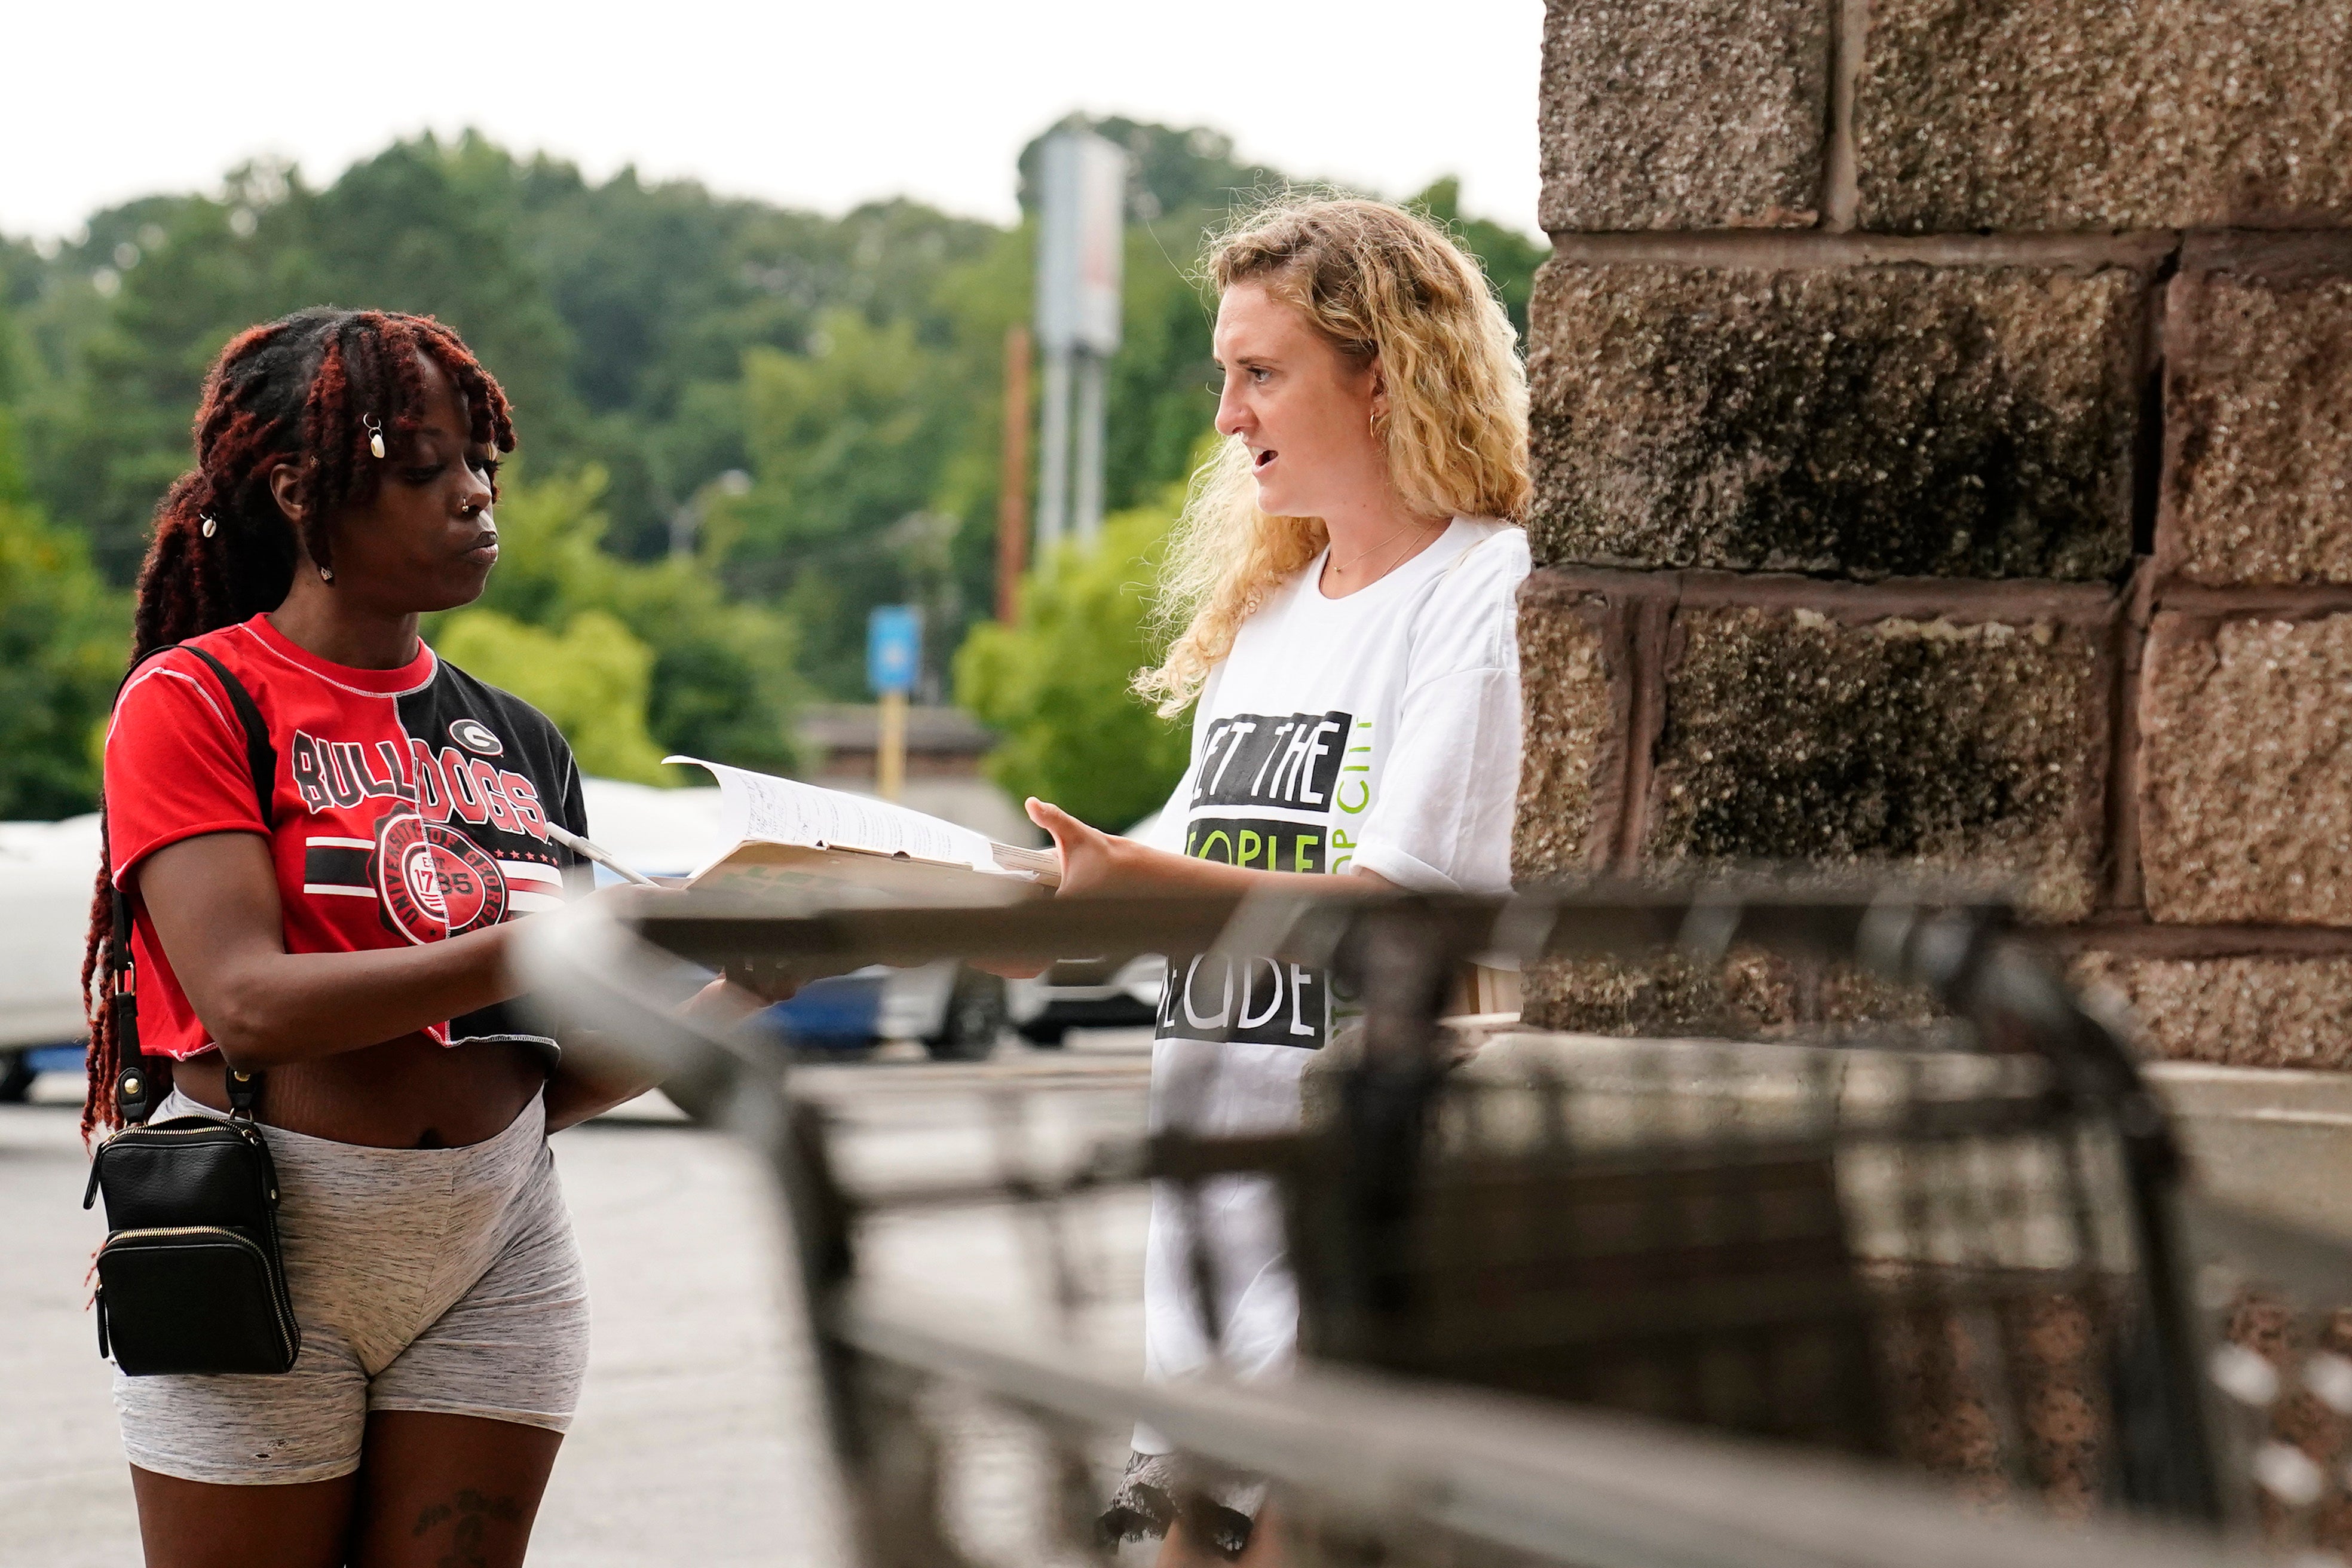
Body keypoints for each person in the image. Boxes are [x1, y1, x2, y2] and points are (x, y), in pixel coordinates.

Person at [82, 308, 729, 1568]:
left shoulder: (524, 742)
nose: (477, 496)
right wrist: (539, 946)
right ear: (300, 489)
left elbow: (560, 1074)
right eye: (426, 467)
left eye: (484, 463)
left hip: (497, 1249)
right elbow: (250, 1003)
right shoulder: (194, 700)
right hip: (259, 1238)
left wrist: (763, 970)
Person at [1022, 198, 1532, 1563]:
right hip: (1206, 1256)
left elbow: (1412, 908)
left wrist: (1130, 884)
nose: (1226, 414)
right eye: (1223, 374)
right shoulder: (1268, 613)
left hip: (1360, 1246)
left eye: (1262, 373)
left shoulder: (1485, 593)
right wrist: (990, 895)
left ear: (1386, 373)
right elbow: (1173, 859)